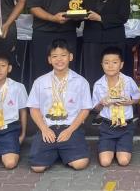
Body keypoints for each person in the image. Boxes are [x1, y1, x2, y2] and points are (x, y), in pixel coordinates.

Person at [26, 39, 92, 172]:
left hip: (70, 128)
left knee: (80, 164)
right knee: (37, 167)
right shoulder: (40, 81)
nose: (59, 59)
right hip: (48, 127)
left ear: (70, 57)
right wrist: (44, 129)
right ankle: (59, 151)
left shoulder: (81, 82)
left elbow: (85, 109)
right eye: (55, 56)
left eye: (63, 55)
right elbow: (34, 108)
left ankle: (62, 150)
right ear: (49, 59)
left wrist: (70, 130)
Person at [81, 0, 130, 84]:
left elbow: (123, 16)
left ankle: (115, 96)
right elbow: (80, 10)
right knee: (92, 76)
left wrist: (100, 18)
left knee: (114, 76)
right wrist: (78, 16)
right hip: (92, 40)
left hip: (114, 40)